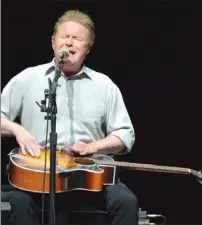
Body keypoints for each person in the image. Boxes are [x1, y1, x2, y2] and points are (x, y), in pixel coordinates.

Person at [1, 9, 139, 225]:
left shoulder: (104, 85)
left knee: (126, 202)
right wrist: (18, 130)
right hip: (39, 176)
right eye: (65, 37)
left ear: (88, 48)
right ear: (53, 42)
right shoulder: (28, 78)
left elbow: (125, 136)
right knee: (18, 203)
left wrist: (93, 147)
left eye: (77, 38)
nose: (69, 43)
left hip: (89, 176)